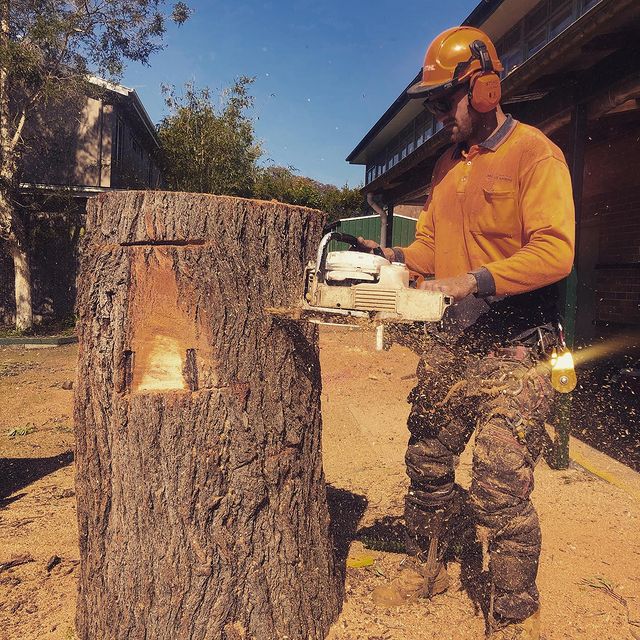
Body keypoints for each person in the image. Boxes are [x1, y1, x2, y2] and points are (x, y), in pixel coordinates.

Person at [357, 26, 575, 640]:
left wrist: (472, 281)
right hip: (453, 345)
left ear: (483, 89)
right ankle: (433, 567)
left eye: (439, 104)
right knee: (426, 464)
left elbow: (556, 252)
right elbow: (428, 243)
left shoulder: (535, 154)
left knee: (499, 485)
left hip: (516, 348)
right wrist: (394, 261)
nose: (434, 119)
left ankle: (514, 611)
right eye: (427, 107)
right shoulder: (448, 165)